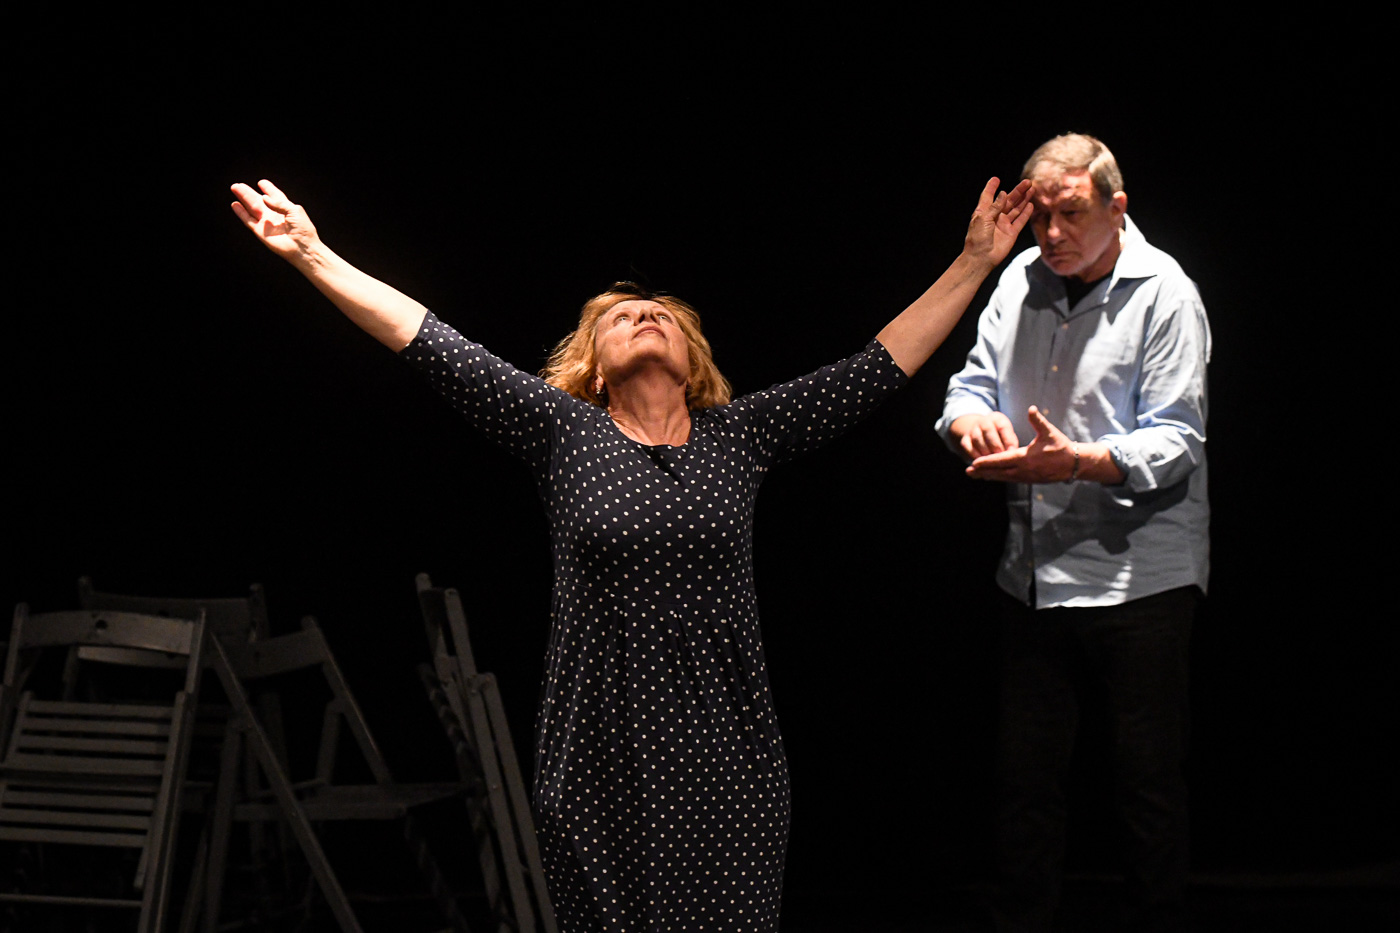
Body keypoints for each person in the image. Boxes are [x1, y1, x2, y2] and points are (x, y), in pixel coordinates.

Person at [231, 175, 1032, 932]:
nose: (645, 316)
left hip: (727, 754)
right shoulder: (563, 430)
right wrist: (312, 253)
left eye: (662, 316)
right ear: (592, 366)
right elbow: (427, 339)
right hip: (599, 753)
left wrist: (973, 262)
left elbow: (878, 366)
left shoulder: (740, 436)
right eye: (620, 318)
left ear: (693, 360)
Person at [936, 134, 1210, 932]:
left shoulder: (1166, 293)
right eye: (1040, 218)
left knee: (1146, 782)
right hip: (1032, 573)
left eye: (1071, 214)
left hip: (1139, 578)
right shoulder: (1020, 278)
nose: (1051, 233)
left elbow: (1178, 440)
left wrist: (1079, 462)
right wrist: (971, 421)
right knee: (1024, 780)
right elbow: (967, 386)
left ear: (1116, 207)